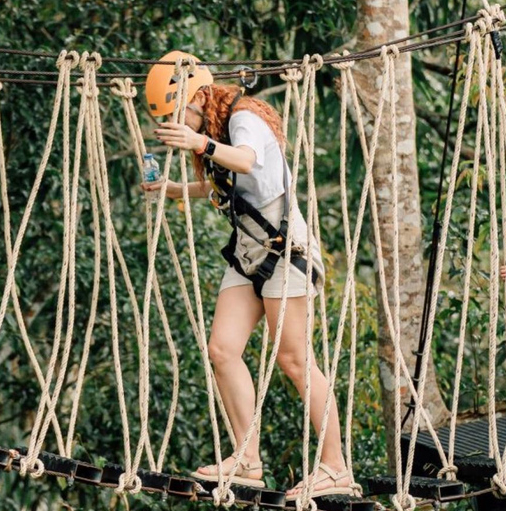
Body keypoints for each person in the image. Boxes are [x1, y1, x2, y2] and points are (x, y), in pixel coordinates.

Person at [141, 51, 353, 500]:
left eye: (182, 115)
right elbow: (227, 183)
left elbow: (250, 162)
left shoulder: (243, 117)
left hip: (285, 248)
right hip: (249, 251)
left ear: (199, 96)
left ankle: (335, 466)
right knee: (222, 349)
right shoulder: (217, 130)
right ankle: (247, 459)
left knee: (295, 360)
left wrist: (199, 145)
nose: (184, 124)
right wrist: (176, 189)